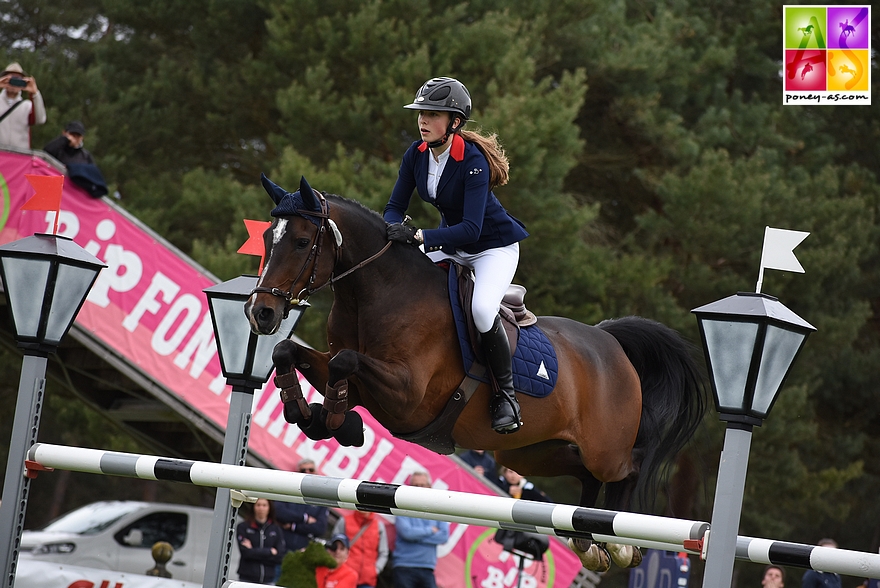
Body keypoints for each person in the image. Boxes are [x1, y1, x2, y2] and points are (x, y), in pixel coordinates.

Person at [383, 76, 529, 435]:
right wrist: (391, 228)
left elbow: (471, 230)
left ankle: (506, 396)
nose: (422, 121)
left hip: (492, 248)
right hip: (451, 244)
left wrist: (419, 235)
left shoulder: (473, 160)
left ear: (455, 123)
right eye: (421, 113)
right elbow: (393, 207)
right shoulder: (415, 155)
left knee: (481, 310)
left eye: (433, 114)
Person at [391, 472, 450, 588]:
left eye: (422, 485)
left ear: (429, 487)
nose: (419, 489)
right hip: (404, 567)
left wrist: (416, 535)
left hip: (427, 568)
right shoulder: (402, 507)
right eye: (415, 486)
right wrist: (430, 530)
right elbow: (406, 533)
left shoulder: (438, 509)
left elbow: (444, 536)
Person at [276, 459, 330, 552]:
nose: (307, 473)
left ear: (316, 473)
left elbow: (320, 528)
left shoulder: (321, 498)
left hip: (302, 553)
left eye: (311, 470)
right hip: (279, 549)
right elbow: (279, 513)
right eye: (303, 471)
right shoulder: (287, 491)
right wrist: (304, 518)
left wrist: (294, 527)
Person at [332, 509, 389, 588]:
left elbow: (384, 552)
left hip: (367, 579)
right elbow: (333, 546)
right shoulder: (344, 521)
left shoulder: (379, 525)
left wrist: (375, 570)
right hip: (344, 576)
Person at [236, 497, 286, 584]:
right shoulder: (243, 527)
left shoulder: (276, 529)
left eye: (264, 505)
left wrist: (253, 551)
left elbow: (280, 557)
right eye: (258, 505)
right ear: (253, 507)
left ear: (269, 508)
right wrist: (270, 552)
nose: (261, 508)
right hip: (247, 578)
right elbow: (246, 553)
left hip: (268, 579)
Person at [0, 62, 46, 150]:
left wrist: (35, 93)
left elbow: (40, 119)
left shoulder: (27, 106)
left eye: (18, 80)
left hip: (20, 156)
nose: (14, 84)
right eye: (11, 79)